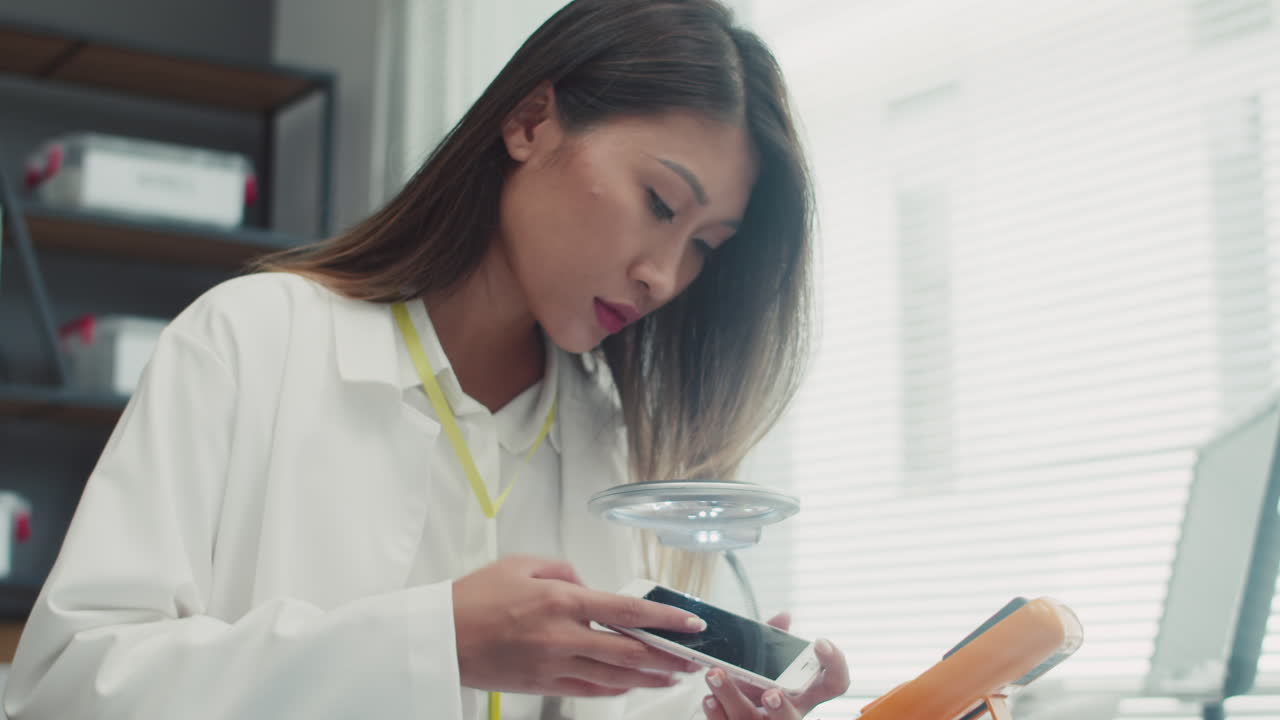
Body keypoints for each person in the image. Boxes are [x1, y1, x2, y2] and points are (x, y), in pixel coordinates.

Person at [3, 1, 850, 718]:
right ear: (529, 121)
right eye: (659, 202)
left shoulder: (599, 432)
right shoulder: (250, 339)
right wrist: (430, 641)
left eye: (705, 245)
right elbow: (67, 688)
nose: (664, 276)